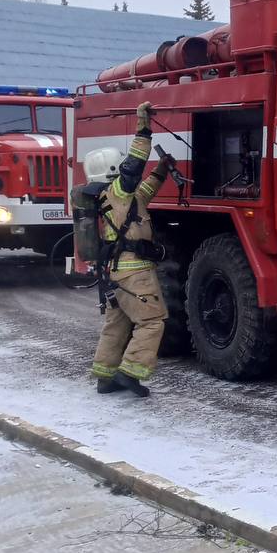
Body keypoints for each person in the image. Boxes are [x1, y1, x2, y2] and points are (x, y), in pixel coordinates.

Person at [88, 101, 174, 397]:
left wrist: (162, 171)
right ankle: (129, 373)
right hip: (134, 273)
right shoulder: (118, 191)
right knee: (151, 322)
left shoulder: (112, 199)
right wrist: (144, 128)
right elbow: (135, 164)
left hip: (114, 272)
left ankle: (105, 376)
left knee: (118, 324)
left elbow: (145, 191)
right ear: (114, 169)